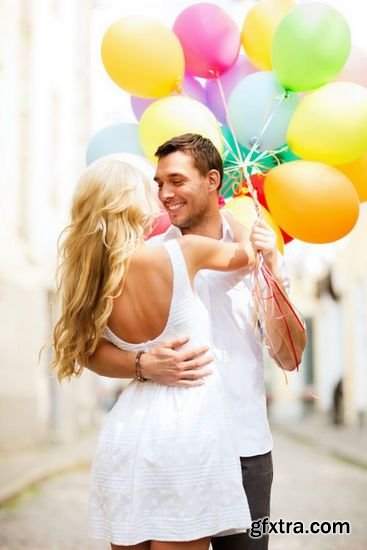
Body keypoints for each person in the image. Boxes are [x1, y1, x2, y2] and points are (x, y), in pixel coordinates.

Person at [87, 134, 307, 550]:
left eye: (176, 181)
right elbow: (92, 351)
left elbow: (289, 355)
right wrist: (141, 365)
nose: (164, 195)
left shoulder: (260, 254)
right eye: (158, 183)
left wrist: (272, 273)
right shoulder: (147, 254)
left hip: (245, 449)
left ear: (212, 181)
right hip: (170, 444)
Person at [51, 157, 257, 549]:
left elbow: (88, 353)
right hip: (188, 432)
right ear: (136, 203)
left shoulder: (91, 279)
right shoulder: (184, 252)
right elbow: (247, 255)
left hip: (127, 432)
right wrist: (237, 207)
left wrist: (141, 365)